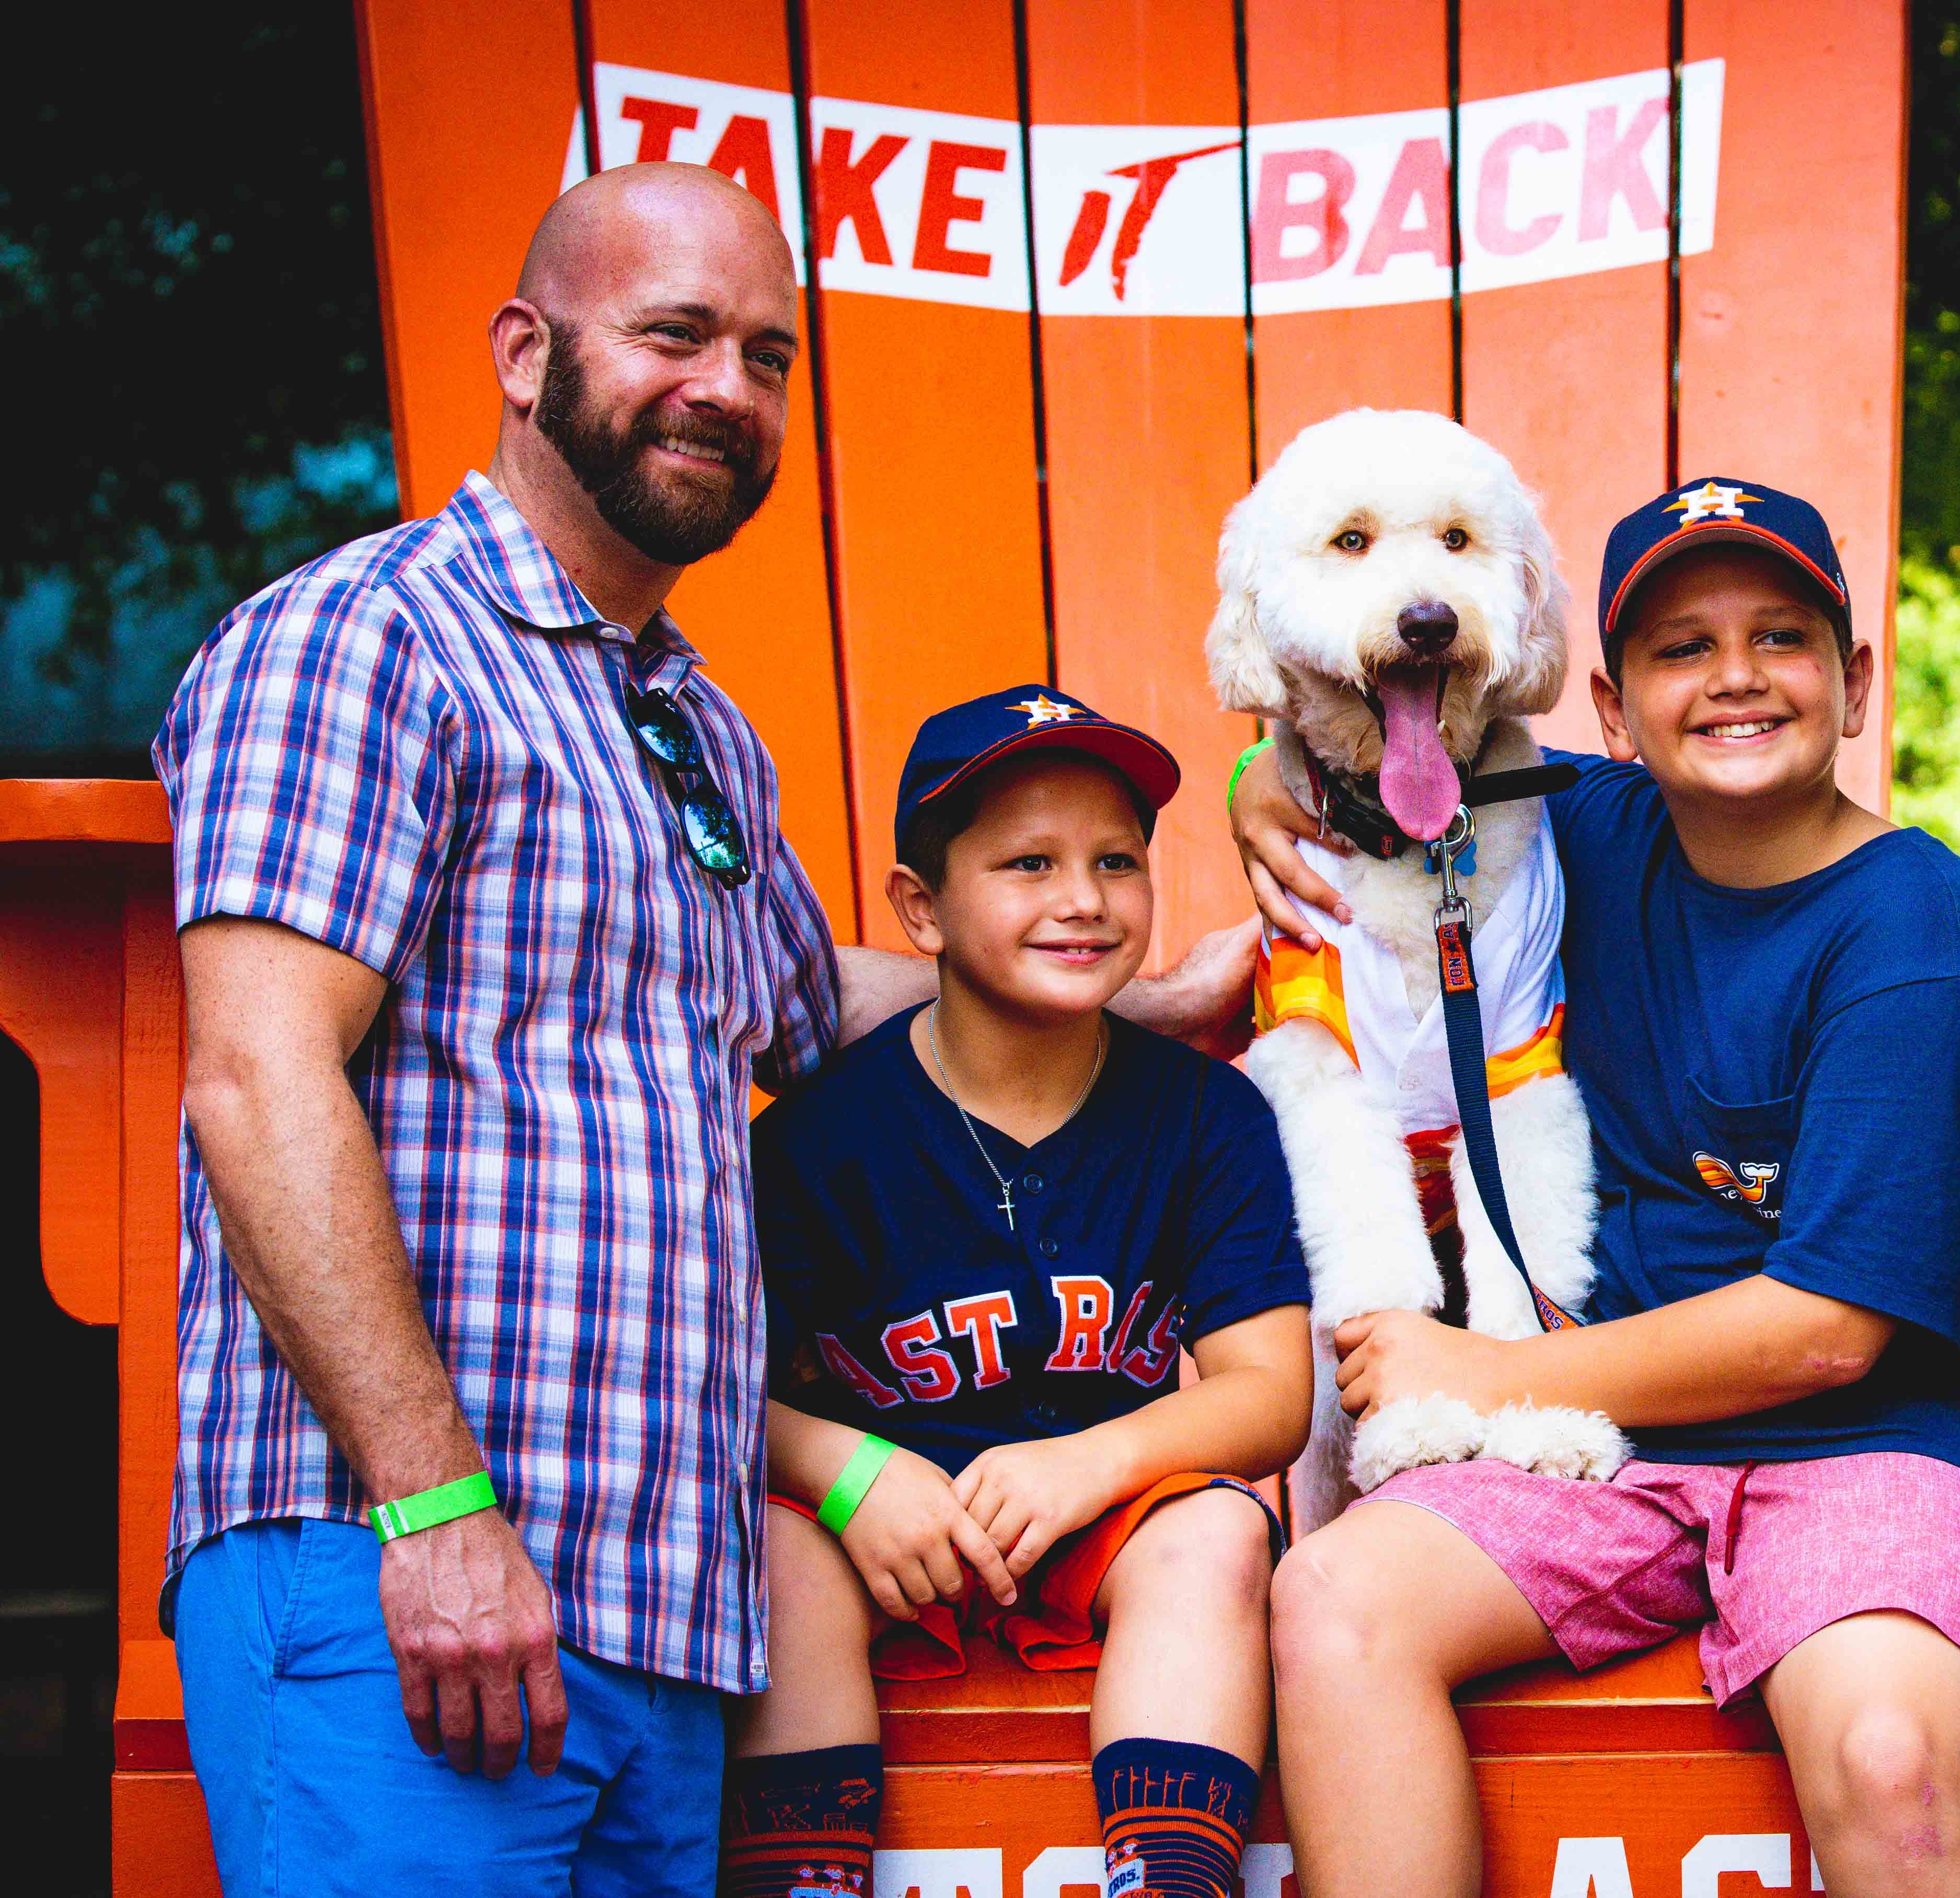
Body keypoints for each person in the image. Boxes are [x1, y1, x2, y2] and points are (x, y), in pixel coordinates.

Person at [152, 164, 1244, 1896]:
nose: (727, 389)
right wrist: (432, 1512)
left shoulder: (695, 735)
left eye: (767, 354)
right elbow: (254, 1075)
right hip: (402, 1575)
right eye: (674, 335)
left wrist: (1134, 991)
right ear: (525, 355)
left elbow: (826, 1005)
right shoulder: (367, 640)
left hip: (661, 1616)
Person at [1238, 481, 1960, 1898]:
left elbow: (1826, 1327)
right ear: (1611, 709)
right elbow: (1367, 743)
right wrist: (1268, 774)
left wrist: (1489, 1370)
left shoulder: (1910, 919)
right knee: (1332, 1599)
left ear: (1853, 682)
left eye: (1780, 637)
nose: (1733, 676)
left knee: (1880, 1742)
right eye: (1682, 648)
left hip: (1881, 1441)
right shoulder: (1581, 832)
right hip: (1620, 1445)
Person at [723, 689, 1312, 1898]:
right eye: (1028, 862)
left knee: (1214, 1528)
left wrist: (1084, 1465)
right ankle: (805, 1878)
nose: (1084, 897)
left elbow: (1271, 1394)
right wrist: (851, 1475)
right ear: (921, 908)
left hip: (1109, 1514)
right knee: (770, 1550)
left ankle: (1168, 1879)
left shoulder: (1207, 1114)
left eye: (1115, 860)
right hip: (882, 1532)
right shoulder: (820, 1136)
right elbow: (717, 1393)